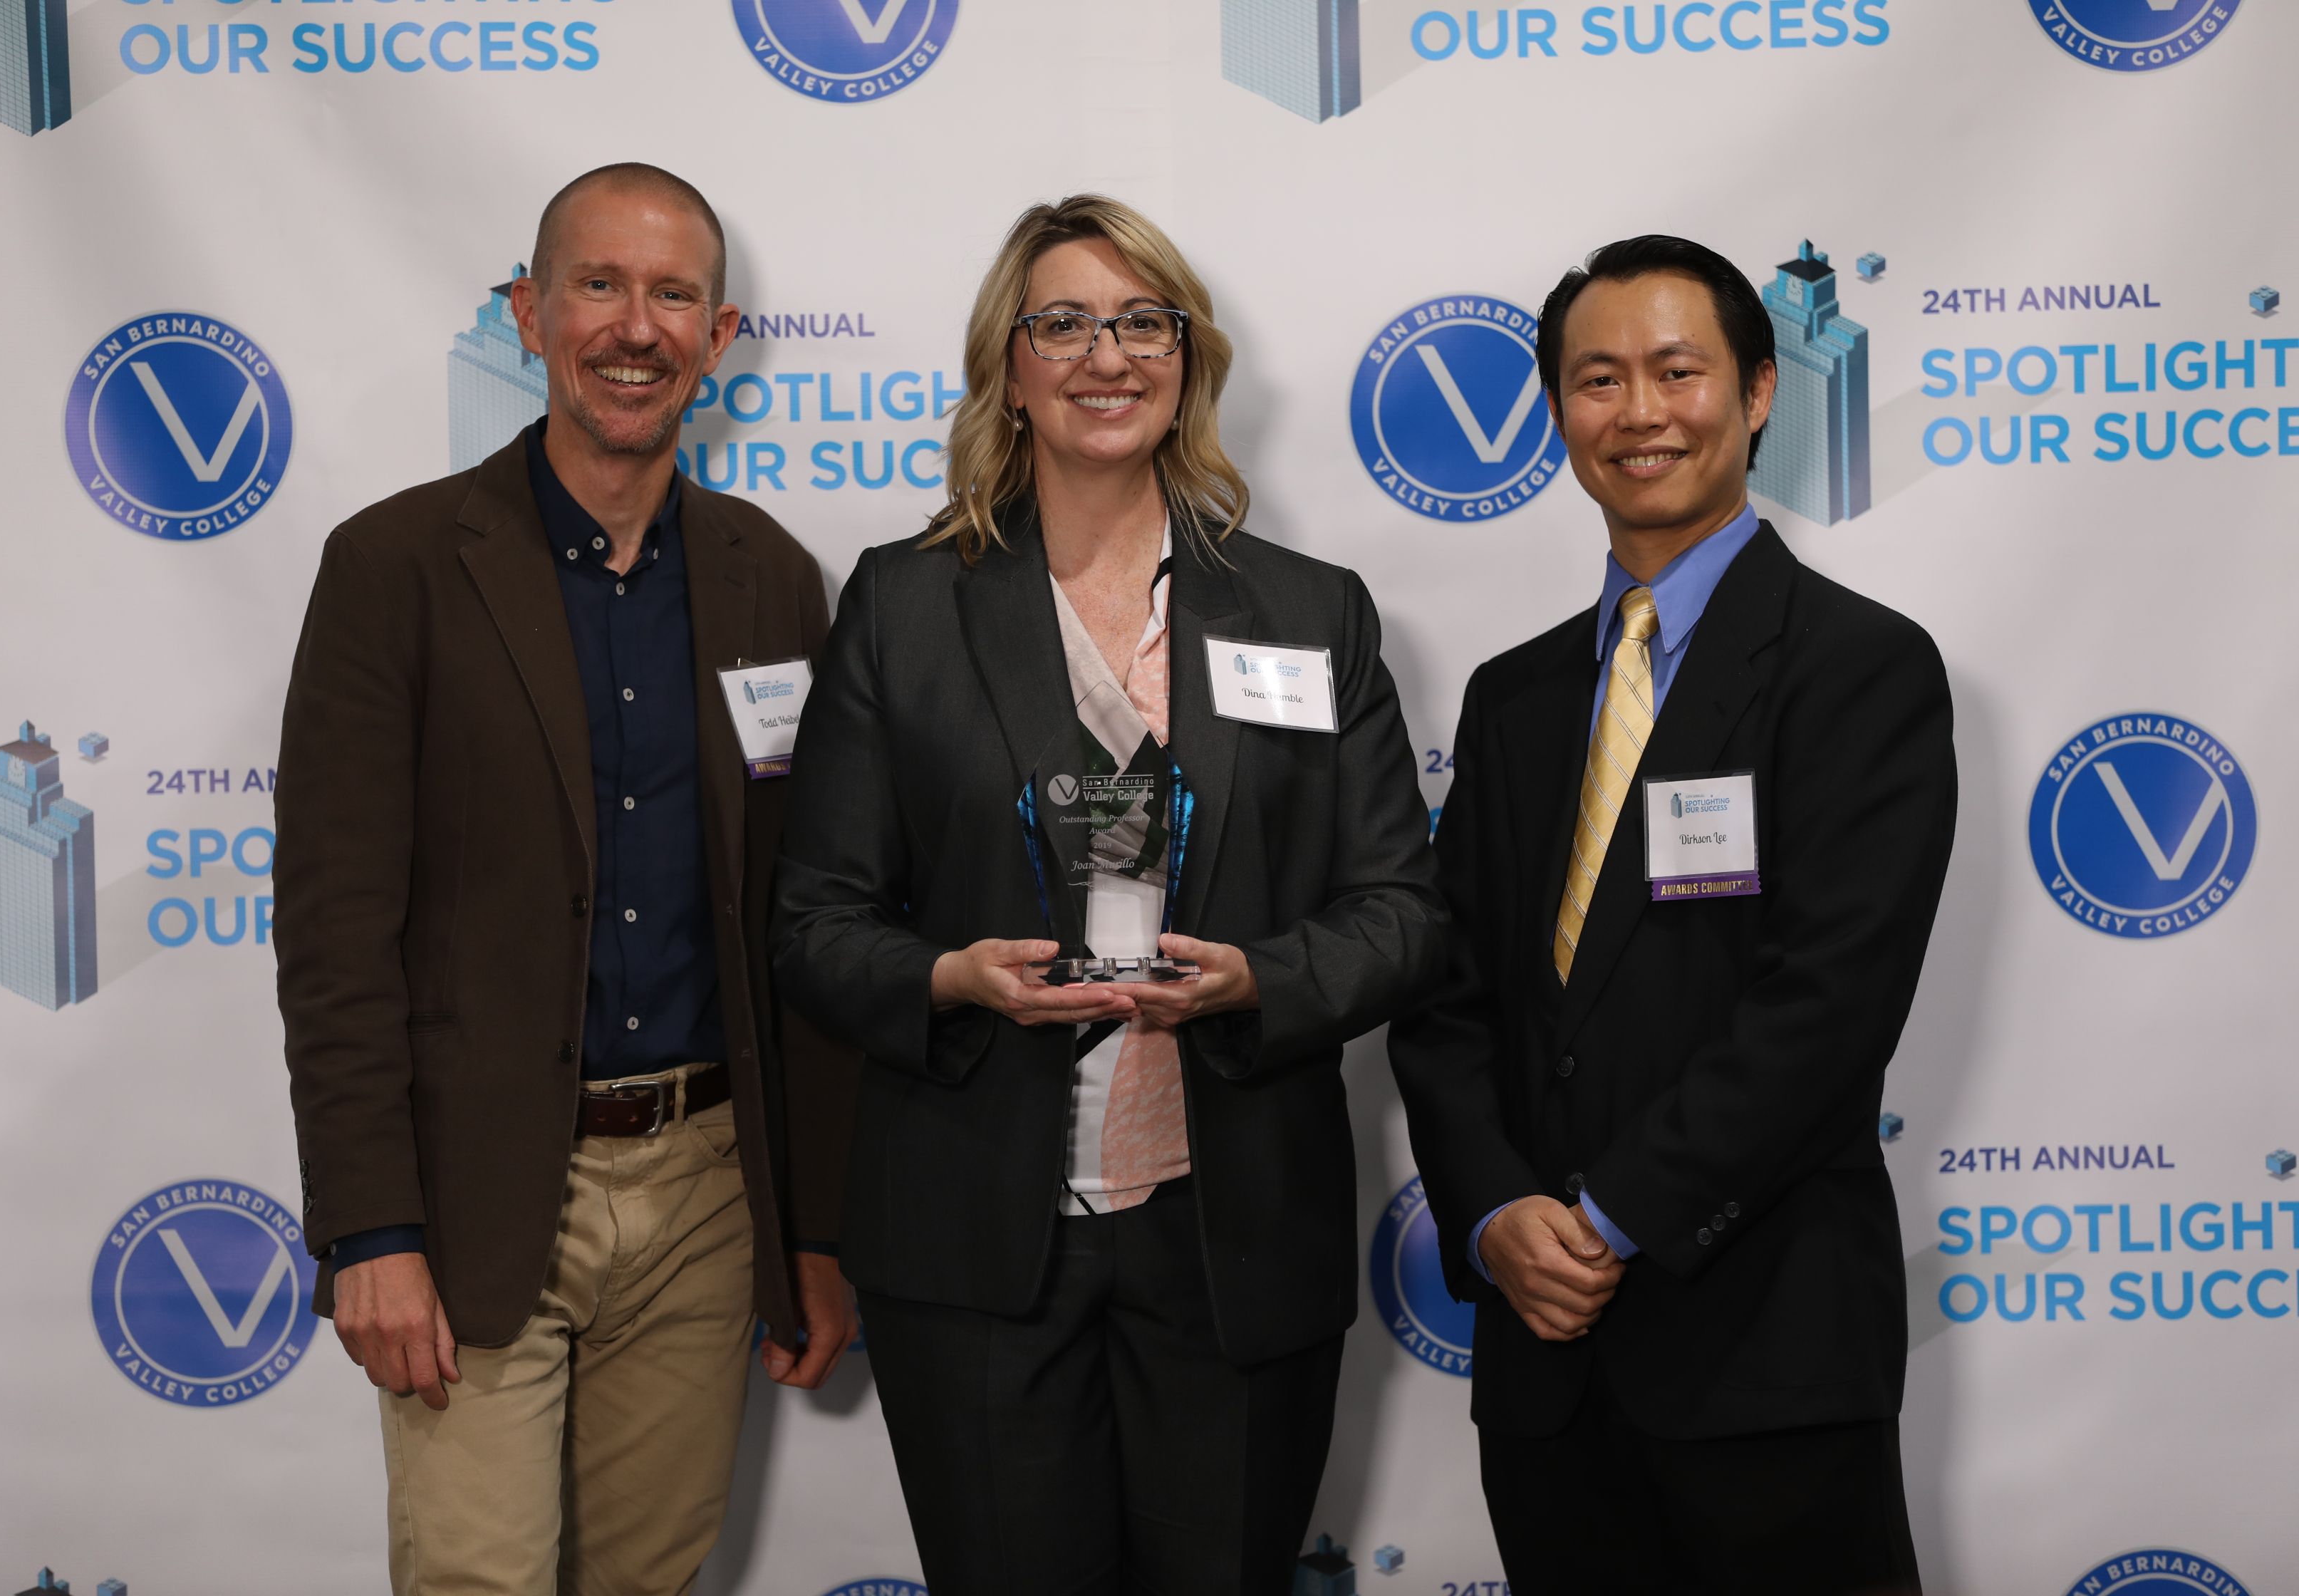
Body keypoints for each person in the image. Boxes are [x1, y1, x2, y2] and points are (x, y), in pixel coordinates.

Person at [770, 194, 1446, 1595]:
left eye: (1145, 322)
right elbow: (817, 922)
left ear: (1188, 361)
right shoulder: (905, 607)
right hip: (976, 1245)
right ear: (1008, 367)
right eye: (1064, 323)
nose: (1107, 355)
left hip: (1233, 1233)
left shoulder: (1308, 613)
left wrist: (1259, 981)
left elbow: (1401, 911)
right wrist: (951, 978)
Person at [274, 162, 858, 1596]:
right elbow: (336, 933)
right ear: (528, 313)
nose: (635, 327)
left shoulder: (777, 580)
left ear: (721, 340)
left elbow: (800, 928)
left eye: (674, 296)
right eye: (598, 285)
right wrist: (371, 1227)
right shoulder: (396, 567)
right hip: (475, 1198)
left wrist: (815, 1230)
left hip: (708, 1197)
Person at [1389, 235, 1954, 1595]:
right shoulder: (1515, 698)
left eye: (1677, 371)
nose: (1638, 412)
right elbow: (1445, 999)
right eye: (1598, 380)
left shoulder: (1862, 669)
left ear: (1758, 393)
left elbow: (1830, 1008)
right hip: (1546, 1369)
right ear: (1559, 414)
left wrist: (1613, 1215)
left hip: (1767, 1353)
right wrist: (1497, 1213)